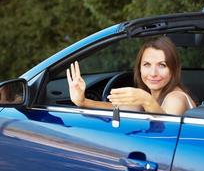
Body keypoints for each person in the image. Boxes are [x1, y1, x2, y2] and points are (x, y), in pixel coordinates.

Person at [66, 36, 196, 115]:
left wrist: (146, 100)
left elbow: (164, 131)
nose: (153, 73)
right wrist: (83, 101)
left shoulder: (176, 98)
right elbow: (115, 109)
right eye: (147, 65)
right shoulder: (149, 97)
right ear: (139, 68)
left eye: (162, 65)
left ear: (174, 69)